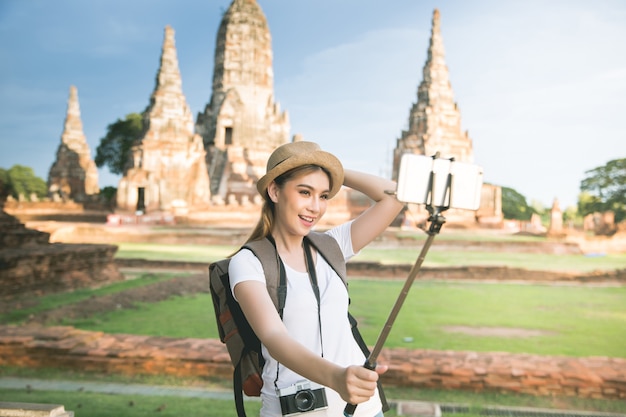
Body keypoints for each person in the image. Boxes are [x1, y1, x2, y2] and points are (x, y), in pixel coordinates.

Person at [229, 141, 405, 417]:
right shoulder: (248, 262)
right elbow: (275, 337)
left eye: (323, 196)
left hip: (364, 410)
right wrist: (336, 378)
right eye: (304, 192)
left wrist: (330, 169)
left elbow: (395, 196)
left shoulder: (331, 245)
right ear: (274, 191)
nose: (315, 207)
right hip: (295, 410)